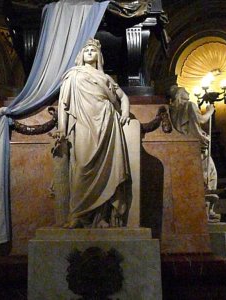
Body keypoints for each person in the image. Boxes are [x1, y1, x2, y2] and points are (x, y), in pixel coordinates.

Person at [55, 38, 131, 228]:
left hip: (106, 123)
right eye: (87, 49)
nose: (90, 52)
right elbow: (63, 104)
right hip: (83, 123)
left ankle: (102, 215)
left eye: (93, 50)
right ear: (81, 55)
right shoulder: (72, 75)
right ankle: (77, 215)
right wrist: (62, 128)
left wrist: (126, 112)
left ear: (99, 56)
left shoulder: (106, 78)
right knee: (82, 166)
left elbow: (123, 97)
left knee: (107, 170)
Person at [169, 85, 220, 222]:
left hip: (183, 149)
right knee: (208, 176)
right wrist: (210, 111)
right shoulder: (190, 105)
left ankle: (199, 210)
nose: (188, 92)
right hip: (197, 147)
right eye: (185, 90)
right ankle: (206, 211)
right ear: (180, 94)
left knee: (192, 178)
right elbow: (202, 120)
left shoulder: (172, 110)